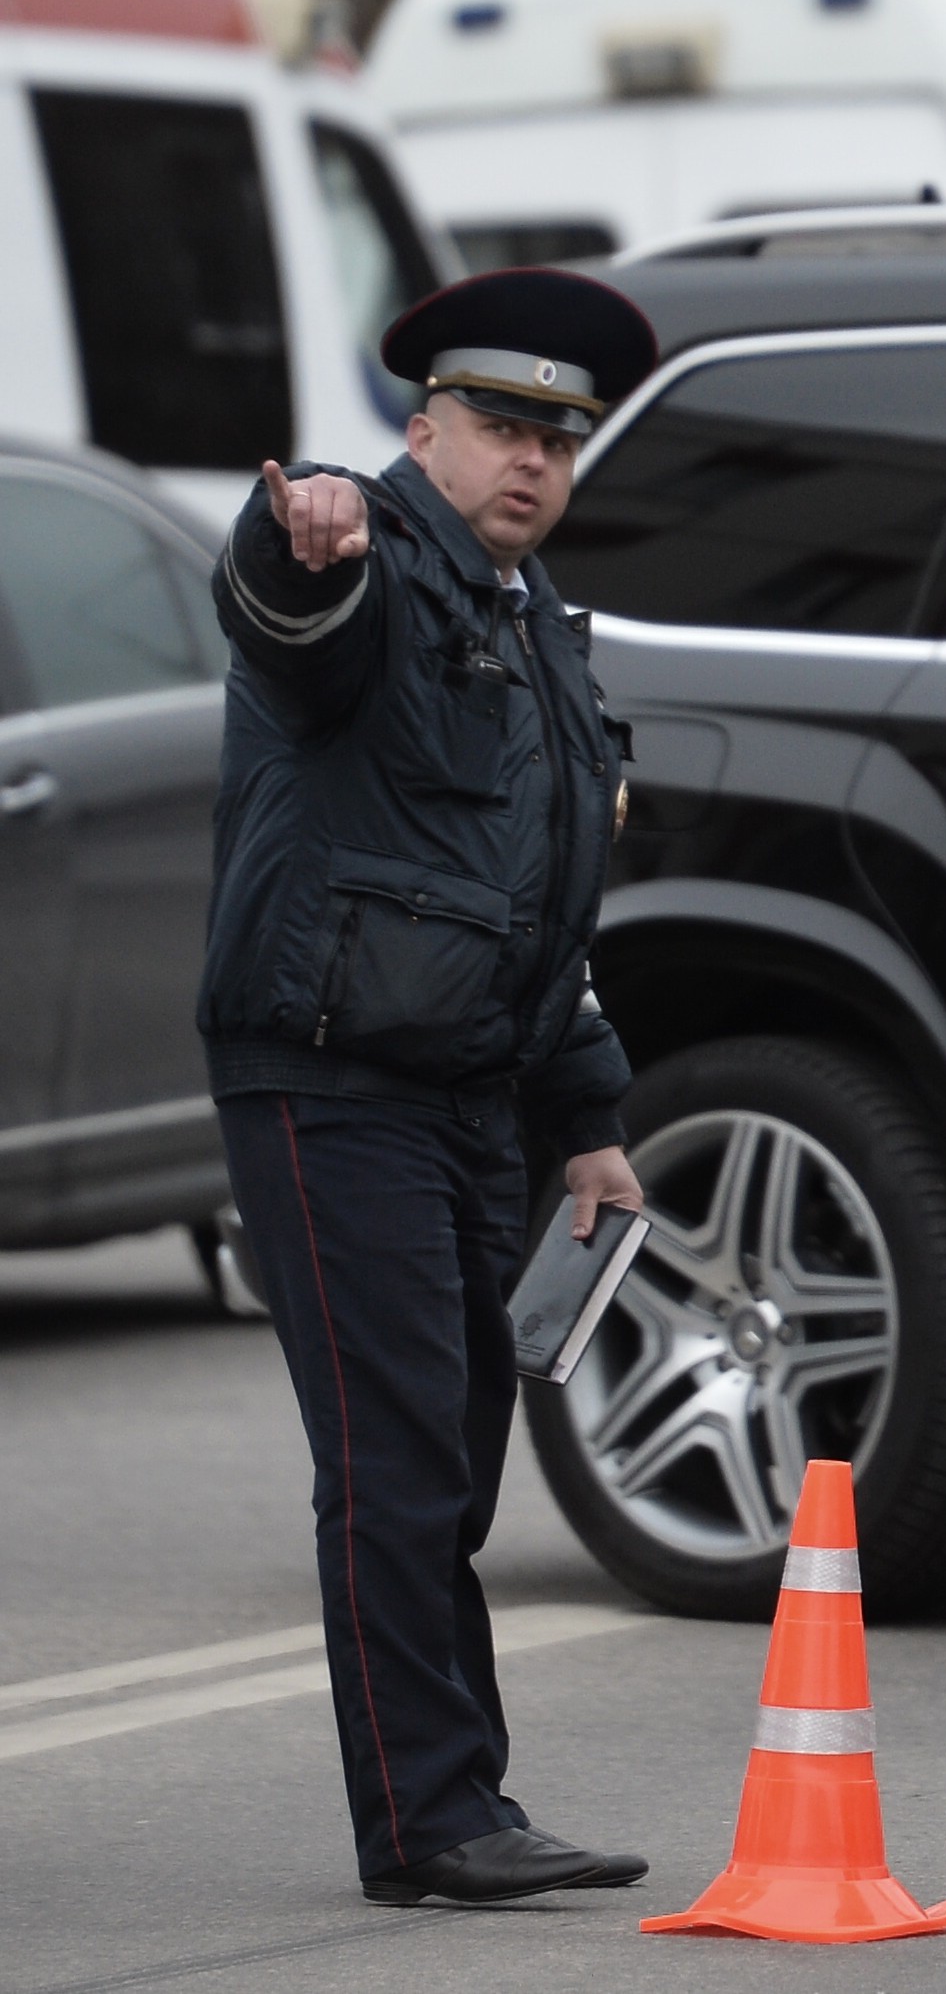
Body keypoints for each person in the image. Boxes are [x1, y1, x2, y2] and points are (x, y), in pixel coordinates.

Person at [203, 269, 659, 1907]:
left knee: (454, 1460)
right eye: (499, 426)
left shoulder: (532, 619)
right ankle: (433, 1817)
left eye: (559, 435)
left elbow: (537, 899)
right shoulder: (377, 569)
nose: (532, 459)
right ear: (423, 432)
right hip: (333, 1087)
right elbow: (285, 610)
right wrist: (293, 538)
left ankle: (459, 1794)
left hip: (471, 1089)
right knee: (398, 1462)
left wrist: (589, 1118)